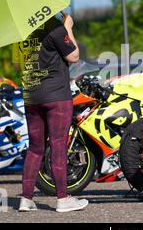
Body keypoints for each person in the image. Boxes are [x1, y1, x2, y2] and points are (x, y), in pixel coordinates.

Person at [13, 13, 89, 212]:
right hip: (56, 96)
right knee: (57, 146)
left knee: (35, 148)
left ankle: (26, 199)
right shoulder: (54, 26)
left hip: (31, 95)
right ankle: (63, 199)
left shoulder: (20, 31)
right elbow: (74, 56)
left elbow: (17, 65)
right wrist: (69, 28)